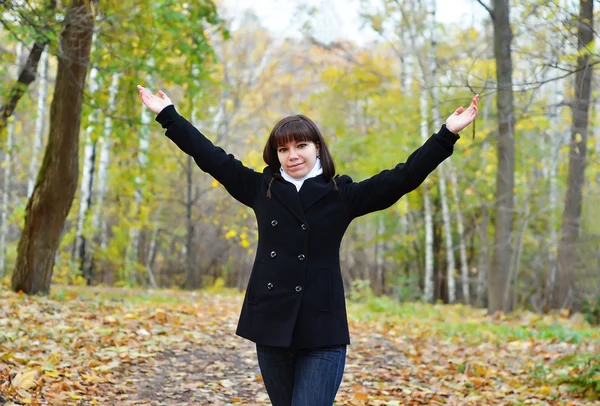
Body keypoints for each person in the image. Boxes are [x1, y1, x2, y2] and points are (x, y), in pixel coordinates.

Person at [137, 85, 479, 405]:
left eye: (301, 146)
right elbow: (210, 157)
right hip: (272, 325)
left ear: (317, 148)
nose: (292, 155)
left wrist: (446, 134)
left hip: (322, 328)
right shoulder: (262, 189)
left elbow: (402, 177)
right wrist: (168, 114)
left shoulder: (341, 195)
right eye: (283, 149)